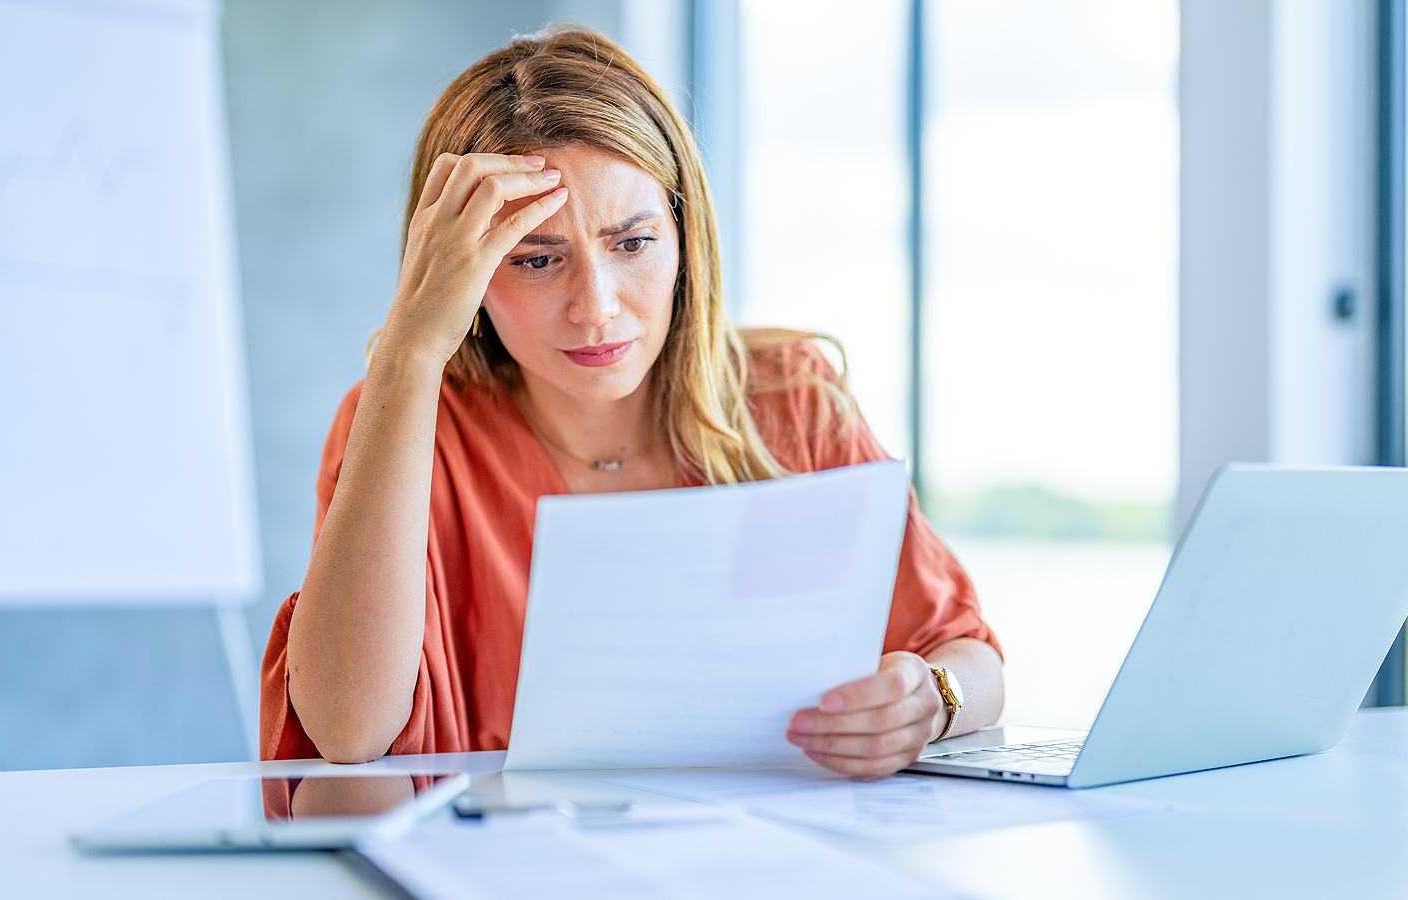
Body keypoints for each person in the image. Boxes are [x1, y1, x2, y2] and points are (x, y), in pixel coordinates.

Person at [260, 24, 1003, 779]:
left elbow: (972, 661)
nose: (597, 308)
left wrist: (929, 700)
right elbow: (346, 730)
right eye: (538, 260)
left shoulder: (793, 399)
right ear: (463, 274)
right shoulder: (406, 424)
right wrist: (409, 351)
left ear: (684, 238)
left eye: (633, 243)